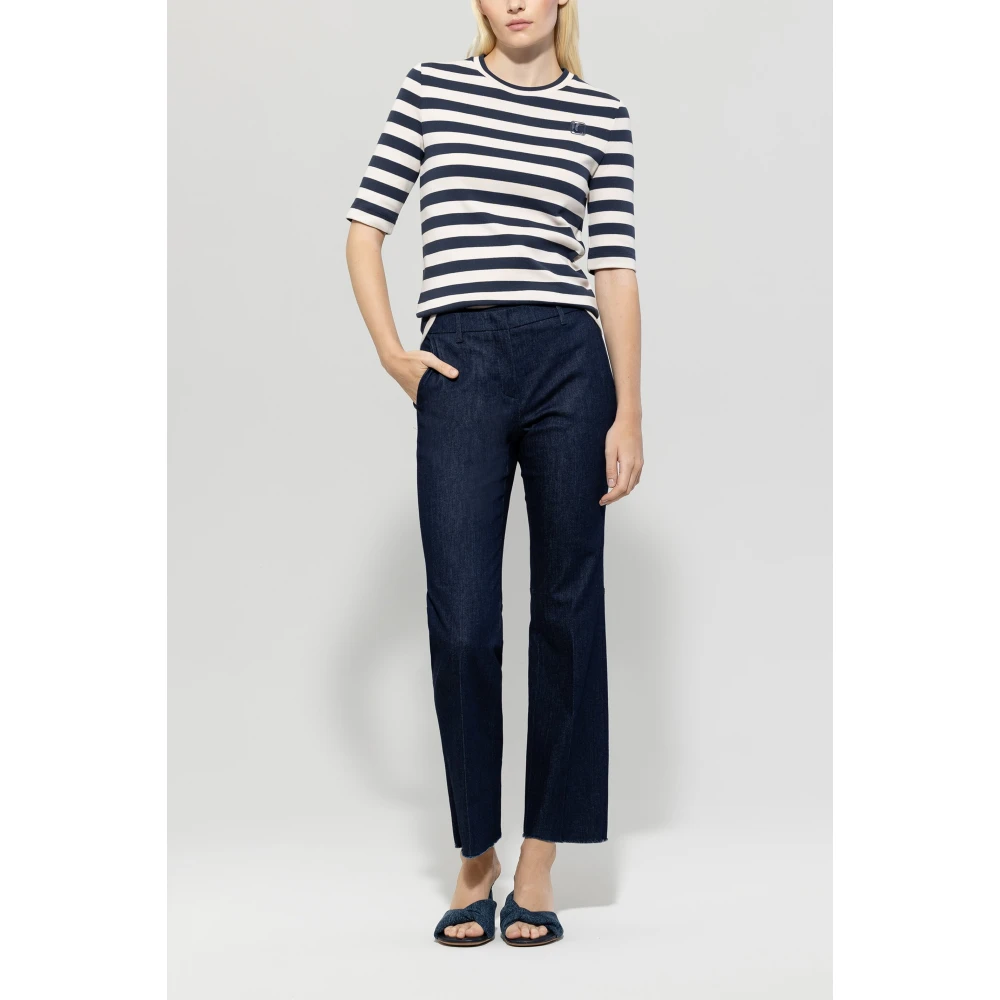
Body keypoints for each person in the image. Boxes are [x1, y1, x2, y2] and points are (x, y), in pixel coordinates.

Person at [345, 0, 642, 947]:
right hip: (461, 359)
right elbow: (365, 225)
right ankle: (476, 853)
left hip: (570, 364)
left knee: (568, 609)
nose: (514, 1)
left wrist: (629, 409)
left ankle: (540, 858)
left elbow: (614, 266)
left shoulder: (602, 113)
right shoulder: (430, 90)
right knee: (465, 619)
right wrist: (394, 351)